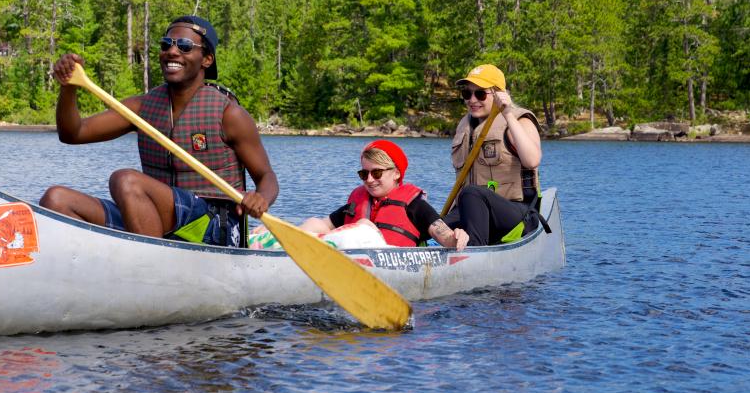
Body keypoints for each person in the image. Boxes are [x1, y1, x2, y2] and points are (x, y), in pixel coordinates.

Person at [40, 15, 278, 247]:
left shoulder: (229, 114)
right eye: (166, 44)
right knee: (56, 200)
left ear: (206, 59)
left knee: (125, 180)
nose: (172, 52)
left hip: (215, 227)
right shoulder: (143, 107)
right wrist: (68, 87)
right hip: (154, 219)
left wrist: (261, 198)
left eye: (185, 46)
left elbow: (267, 177)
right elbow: (73, 133)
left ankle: (150, 267)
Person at [299, 139, 469, 250]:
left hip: (391, 265)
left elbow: (445, 236)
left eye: (377, 173)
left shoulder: (415, 205)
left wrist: (456, 238)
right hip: (351, 261)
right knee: (314, 222)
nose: (370, 180)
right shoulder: (357, 203)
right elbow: (324, 224)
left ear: (396, 173)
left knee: (364, 226)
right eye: (364, 174)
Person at [442, 63, 543, 246]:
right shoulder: (465, 126)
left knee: (471, 193)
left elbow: (532, 160)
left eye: (480, 93)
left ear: (498, 94)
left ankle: (473, 255)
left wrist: (507, 114)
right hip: (471, 211)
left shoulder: (519, 121)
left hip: (515, 214)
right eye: (467, 93)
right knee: (429, 225)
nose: (472, 100)